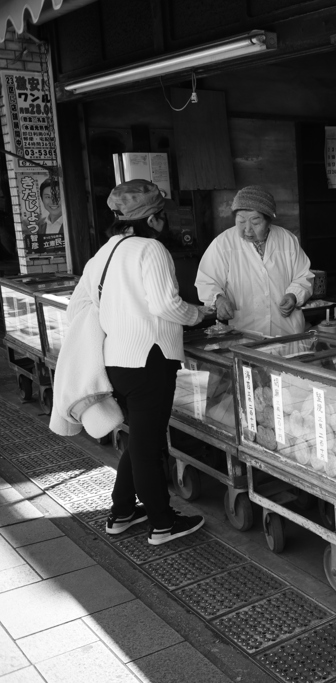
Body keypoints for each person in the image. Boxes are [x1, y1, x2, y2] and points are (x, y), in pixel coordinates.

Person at [66, 179, 212, 545]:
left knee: (139, 440)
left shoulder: (105, 252)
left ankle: (123, 512)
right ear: (155, 217)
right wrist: (200, 314)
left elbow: (79, 304)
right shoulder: (151, 249)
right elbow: (166, 305)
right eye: (164, 214)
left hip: (117, 360)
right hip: (150, 360)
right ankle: (162, 523)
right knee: (148, 447)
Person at [195, 186, 314, 336]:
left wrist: (294, 295)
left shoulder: (287, 240)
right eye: (241, 221)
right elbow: (206, 281)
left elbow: (304, 276)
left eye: (256, 222)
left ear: (269, 220)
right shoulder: (223, 244)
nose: (248, 229)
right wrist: (218, 299)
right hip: (245, 333)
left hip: (286, 331)